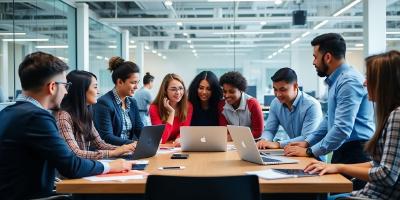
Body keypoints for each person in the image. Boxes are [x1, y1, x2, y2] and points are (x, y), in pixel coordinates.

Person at [0, 52, 133, 200]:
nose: (66, 91)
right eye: (65, 85)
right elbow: (71, 165)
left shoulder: (7, 113)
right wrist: (110, 167)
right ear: (52, 87)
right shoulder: (37, 117)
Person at [304, 50, 400, 199]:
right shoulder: (389, 114)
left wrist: (340, 166)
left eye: (370, 77)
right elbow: (377, 164)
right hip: (367, 193)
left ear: (385, 82)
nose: (365, 82)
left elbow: (387, 175)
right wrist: (332, 166)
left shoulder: (397, 115)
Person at [284, 33, 374, 189]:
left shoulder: (348, 81)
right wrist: (308, 142)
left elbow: (341, 128)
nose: (313, 62)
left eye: (315, 57)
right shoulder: (337, 80)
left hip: (356, 152)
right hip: (344, 150)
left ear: (327, 57)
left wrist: (309, 152)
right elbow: (329, 120)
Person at [56, 70, 136, 160]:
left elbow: (100, 144)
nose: (98, 91)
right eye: (95, 87)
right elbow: (74, 153)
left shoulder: (85, 113)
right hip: (71, 173)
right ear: (81, 90)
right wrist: (114, 152)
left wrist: (125, 149)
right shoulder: (63, 117)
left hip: (84, 168)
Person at [256, 68, 323, 149]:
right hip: (292, 151)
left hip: (313, 154)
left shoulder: (311, 105)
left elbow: (307, 138)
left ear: (295, 86)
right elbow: (270, 130)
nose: (278, 94)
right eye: (275, 89)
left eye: (282, 89)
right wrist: (264, 141)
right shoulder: (275, 103)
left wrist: (278, 144)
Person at [93, 56, 143, 146]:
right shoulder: (104, 103)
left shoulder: (132, 102)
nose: (136, 87)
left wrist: (150, 140)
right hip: (111, 154)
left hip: (128, 152)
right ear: (120, 82)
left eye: (137, 82)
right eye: (133, 82)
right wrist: (134, 143)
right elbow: (106, 137)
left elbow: (139, 129)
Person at [149, 73, 193, 145]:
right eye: (173, 89)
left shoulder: (188, 106)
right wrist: (172, 113)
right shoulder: (154, 108)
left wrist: (180, 138)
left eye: (180, 88)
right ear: (165, 91)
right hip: (161, 148)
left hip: (176, 147)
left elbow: (184, 131)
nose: (178, 92)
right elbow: (161, 139)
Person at [219, 71, 264, 139]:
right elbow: (224, 130)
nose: (227, 95)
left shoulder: (253, 104)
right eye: (224, 91)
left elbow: (258, 132)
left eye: (231, 91)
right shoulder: (221, 105)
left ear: (241, 90)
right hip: (232, 144)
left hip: (253, 142)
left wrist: (235, 137)